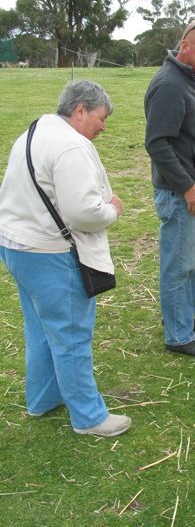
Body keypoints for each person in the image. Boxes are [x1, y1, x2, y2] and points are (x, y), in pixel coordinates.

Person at [0, 79, 131, 437]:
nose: (103, 126)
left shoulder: (36, 129)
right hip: (49, 253)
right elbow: (82, 212)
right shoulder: (71, 146)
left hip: (15, 246)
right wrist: (112, 210)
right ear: (79, 111)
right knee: (71, 334)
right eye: (100, 118)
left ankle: (42, 399)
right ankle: (89, 417)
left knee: (42, 328)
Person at [144, 19, 195, 357]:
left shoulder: (189, 78)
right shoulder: (169, 85)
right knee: (179, 263)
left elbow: (189, 133)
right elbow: (158, 144)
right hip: (181, 192)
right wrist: (188, 186)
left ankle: (182, 314)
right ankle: (178, 335)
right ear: (184, 47)